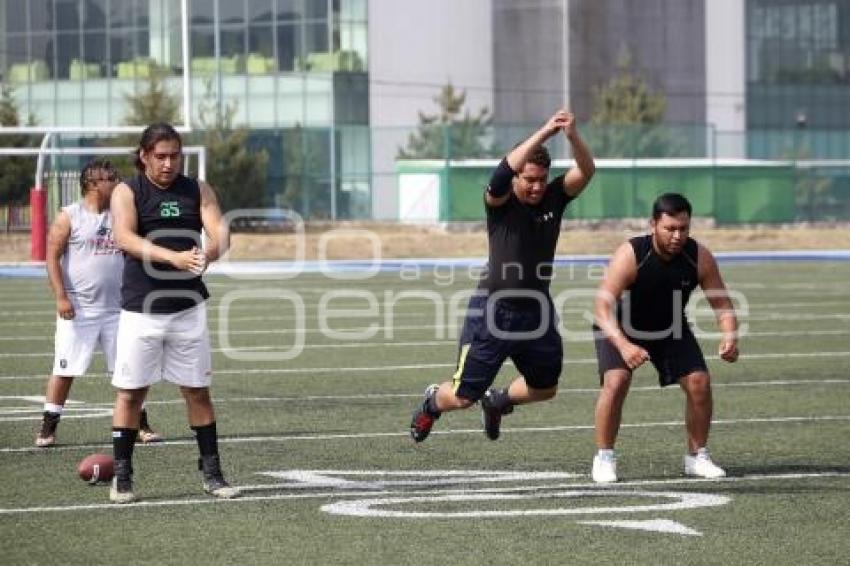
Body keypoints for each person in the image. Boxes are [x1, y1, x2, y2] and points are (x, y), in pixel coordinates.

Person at [409, 109, 595, 443]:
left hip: (537, 310)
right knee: (463, 397)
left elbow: (586, 170)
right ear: (516, 179)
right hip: (495, 312)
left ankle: (498, 401)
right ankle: (432, 402)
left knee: (545, 387)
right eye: (529, 179)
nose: (537, 186)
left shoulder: (555, 198)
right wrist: (543, 132)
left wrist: (572, 137)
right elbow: (501, 171)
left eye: (542, 179)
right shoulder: (500, 203)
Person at [108, 123, 237, 503]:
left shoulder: (197, 188)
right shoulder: (127, 190)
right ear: (144, 155)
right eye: (160, 156)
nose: (168, 164)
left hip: (188, 309)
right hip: (141, 309)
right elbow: (124, 238)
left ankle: (212, 474)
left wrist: (207, 255)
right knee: (131, 394)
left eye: (174, 156)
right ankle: (123, 476)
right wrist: (174, 257)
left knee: (198, 391)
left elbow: (222, 234)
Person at [591, 193, 739, 483]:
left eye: (683, 228)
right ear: (653, 225)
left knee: (699, 382)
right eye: (670, 228)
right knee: (616, 381)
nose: (677, 236)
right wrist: (623, 344)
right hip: (621, 327)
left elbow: (722, 306)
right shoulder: (632, 253)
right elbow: (601, 307)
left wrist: (730, 336)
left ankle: (696, 457)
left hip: (669, 326)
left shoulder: (699, 257)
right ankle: (604, 458)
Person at [36, 158, 161, 448]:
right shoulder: (69, 216)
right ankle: (48, 427)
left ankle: (140, 425)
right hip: (79, 310)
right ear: (92, 184)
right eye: (110, 177)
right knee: (65, 369)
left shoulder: (122, 214)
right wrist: (61, 297)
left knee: (132, 371)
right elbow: (52, 258)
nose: (117, 180)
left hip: (120, 310)